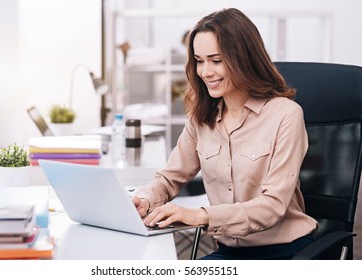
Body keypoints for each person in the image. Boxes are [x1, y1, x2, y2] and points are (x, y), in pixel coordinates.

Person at [132, 8, 318, 260]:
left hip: (285, 253)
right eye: (199, 60)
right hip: (228, 252)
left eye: (216, 60)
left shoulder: (285, 115)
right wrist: (145, 199)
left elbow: (273, 206)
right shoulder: (201, 117)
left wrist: (202, 215)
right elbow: (169, 178)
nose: (205, 71)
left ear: (244, 59)